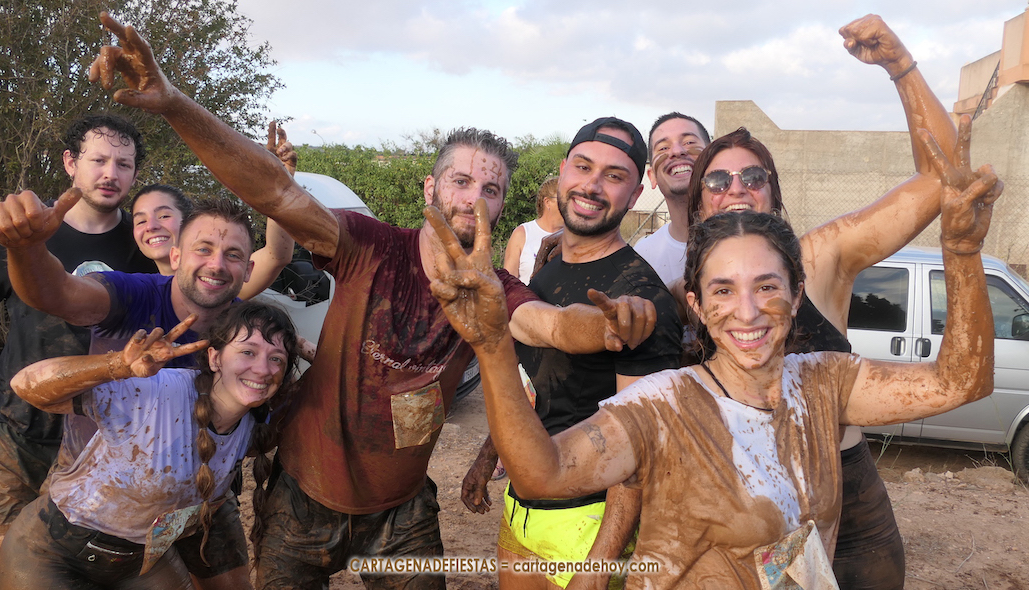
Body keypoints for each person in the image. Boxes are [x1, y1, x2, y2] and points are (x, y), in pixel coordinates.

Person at [86, 12, 658, 589]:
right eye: (460, 182)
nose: (473, 200)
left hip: (400, 513)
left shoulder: (495, 291)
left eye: (491, 189)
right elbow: (275, 191)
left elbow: (553, 325)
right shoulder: (369, 245)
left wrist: (610, 324)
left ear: (503, 205)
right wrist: (174, 104)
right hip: (303, 496)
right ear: (430, 187)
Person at [423, 120, 1000, 585]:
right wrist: (493, 347)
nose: (747, 312)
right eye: (723, 290)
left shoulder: (826, 383)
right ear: (696, 304)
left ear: (798, 294)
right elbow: (542, 473)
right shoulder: (663, 405)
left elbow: (961, 381)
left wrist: (961, 251)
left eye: (767, 286)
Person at [634, 15, 960, 589]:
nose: (736, 188)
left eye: (753, 176)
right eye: (718, 181)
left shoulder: (821, 256)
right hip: (742, 507)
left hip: (848, 504)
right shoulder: (685, 292)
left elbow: (942, 179)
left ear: (773, 191)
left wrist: (900, 66)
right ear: (700, 202)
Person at [0, 195, 268, 589]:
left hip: (197, 497)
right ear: (176, 255)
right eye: (203, 249)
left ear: (248, 269)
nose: (217, 264)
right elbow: (56, 293)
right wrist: (26, 248)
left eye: (232, 255)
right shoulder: (132, 294)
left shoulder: (250, 334)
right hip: (100, 496)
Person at [0, 114, 157, 589]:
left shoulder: (145, 242)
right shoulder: (23, 231)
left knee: (100, 559)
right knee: (9, 557)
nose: (110, 173)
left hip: (106, 434)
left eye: (124, 164)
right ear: (70, 162)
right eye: (98, 160)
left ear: (136, 173)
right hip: (21, 426)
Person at [462, 118, 683, 590]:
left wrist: (600, 564)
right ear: (563, 171)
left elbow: (639, 448)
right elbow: (533, 383)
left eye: (614, 176)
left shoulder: (641, 302)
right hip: (521, 509)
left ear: (636, 193)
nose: (592, 185)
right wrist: (488, 456)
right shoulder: (548, 268)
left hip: (589, 524)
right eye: (583, 167)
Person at [0, 301, 300, 589]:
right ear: (214, 358)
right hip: (52, 553)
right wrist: (116, 365)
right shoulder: (157, 392)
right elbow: (24, 384)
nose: (263, 369)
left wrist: (314, 353)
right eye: (248, 352)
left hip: (141, 561)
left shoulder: (252, 426)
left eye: (276, 358)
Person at [130, 122, 298, 300]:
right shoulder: (133, 293)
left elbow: (276, 255)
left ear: (188, 222)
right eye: (141, 221)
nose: (151, 226)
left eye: (164, 216)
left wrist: (279, 188)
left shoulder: (217, 280)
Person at [633, 112, 710, 287]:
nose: (677, 151)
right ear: (652, 176)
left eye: (689, 142)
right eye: (663, 148)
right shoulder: (643, 257)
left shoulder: (748, 240)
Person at [503, 175, 564, 285]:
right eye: (564, 199)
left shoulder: (573, 237)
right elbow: (508, 281)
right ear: (547, 202)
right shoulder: (523, 233)